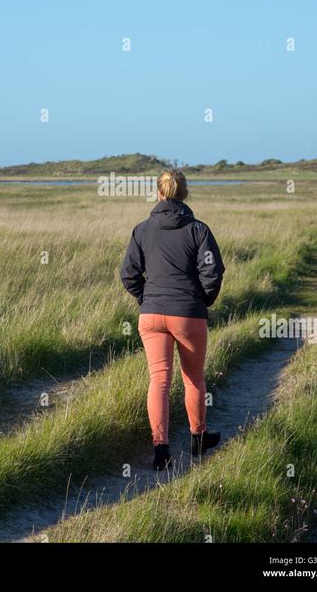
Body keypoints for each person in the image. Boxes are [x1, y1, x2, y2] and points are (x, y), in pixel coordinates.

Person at [120, 169, 225, 470]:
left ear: (159, 193)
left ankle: (160, 451)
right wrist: (203, 300)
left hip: (151, 315)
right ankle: (198, 439)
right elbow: (212, 272)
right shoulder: (199, 230)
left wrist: (146, 299)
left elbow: (128, 274)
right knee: (193, 378)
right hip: (188, 314)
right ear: (185, 193)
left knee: (159, 381)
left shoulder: (141, 230)